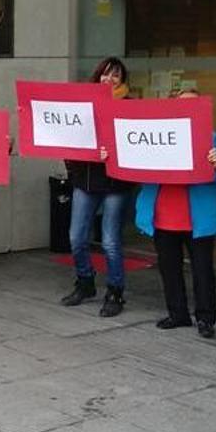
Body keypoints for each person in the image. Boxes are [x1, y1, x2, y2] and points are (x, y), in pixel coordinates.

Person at [129, 88, 216, 338]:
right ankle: (178, 314)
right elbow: (134, 163)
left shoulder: (212, 138)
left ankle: (206, 319)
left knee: (203, 270)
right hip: (164, 216)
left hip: (198, 219)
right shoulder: (157, 136)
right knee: (169, 268)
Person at [61, 57, 134, 317]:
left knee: (111, 241)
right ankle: (85, 281)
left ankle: (115, 291)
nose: (109, 79)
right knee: (76, 237)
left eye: (116, 75)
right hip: (86, 179)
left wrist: (114, 151)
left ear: (122, 81)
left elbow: (135, 146)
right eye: (105, 74)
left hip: (116, 182)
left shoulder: (129, 107)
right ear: (98, 77)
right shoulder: (82, 105)